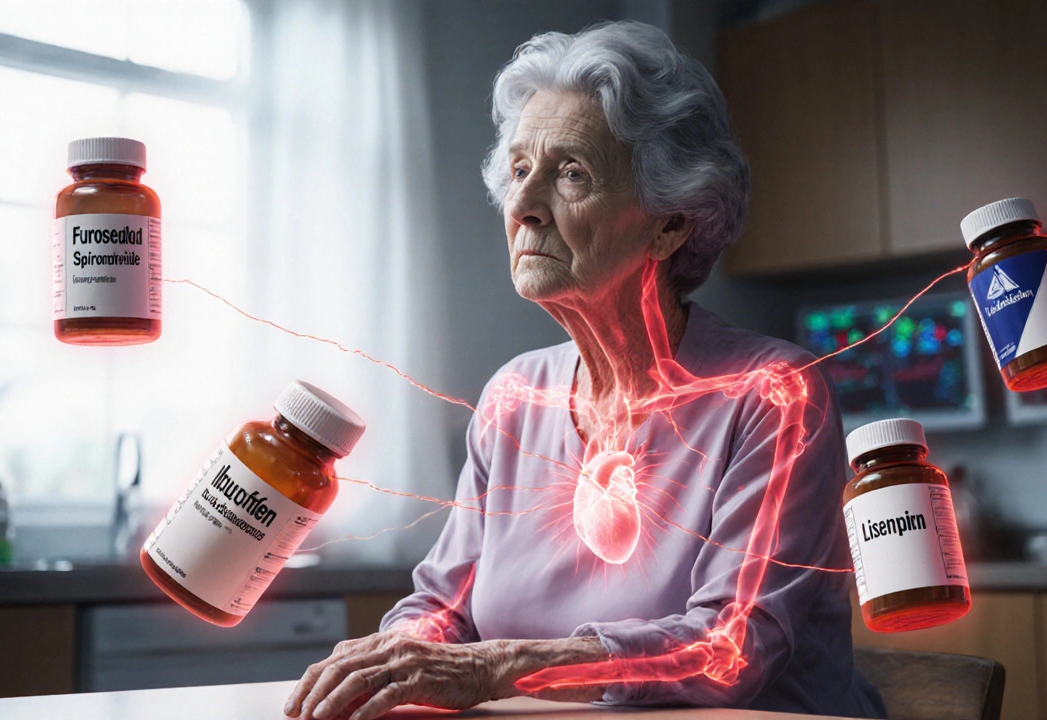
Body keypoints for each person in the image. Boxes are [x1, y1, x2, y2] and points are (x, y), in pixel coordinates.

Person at [284, 20, 886, 720]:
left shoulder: (770, 395)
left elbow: (731, 648)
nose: (525, 205)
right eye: (518, 171)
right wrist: (406, 658)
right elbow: (439, 607)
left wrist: (496, 666)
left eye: (571, 173)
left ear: (670, 223)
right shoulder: (514, 399)